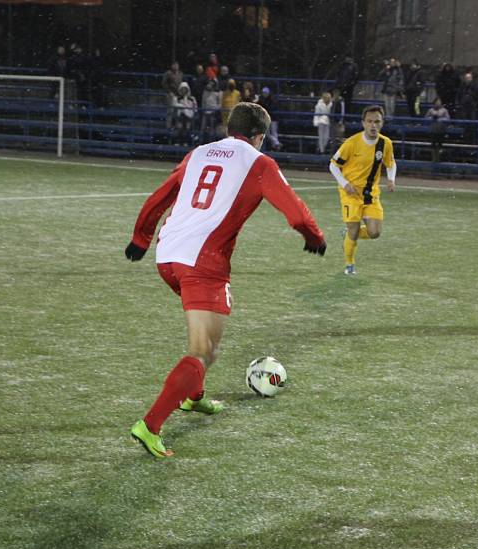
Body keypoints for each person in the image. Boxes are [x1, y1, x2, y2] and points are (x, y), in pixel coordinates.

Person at [125, 102, 327, 458]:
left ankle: (194, 397)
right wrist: (313, 236)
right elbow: (293, 208)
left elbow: (162, 196)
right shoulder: (259, 162)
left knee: (210, 344)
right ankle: (151, 425)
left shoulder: (198, 152)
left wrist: (141, 238)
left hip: (167, 255)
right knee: (204, 351)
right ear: (260, 136)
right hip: (203, 263)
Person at [329, 105, 397, 275]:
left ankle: (349, 235)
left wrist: (391, 179)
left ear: (382, 123)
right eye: (369, 121)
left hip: (370, 194)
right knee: (354, 227)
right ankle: (349, 264)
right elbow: (333, 165)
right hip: (350, 193)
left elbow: (391, 163)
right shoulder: (352, 143)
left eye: (377, 122)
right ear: (363, 123)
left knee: (375, 233)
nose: (373, 125)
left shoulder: (385, 143)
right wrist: (344, 183)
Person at [424, 98, 450, 162]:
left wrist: (440, 118)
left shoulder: (444, 110)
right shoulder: (431, 110)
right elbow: (426, 119)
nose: (438, 103)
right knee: (433, 146)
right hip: (433, 130)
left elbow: (448, 119)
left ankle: (439, 159)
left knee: (440, 146)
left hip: (441, 131)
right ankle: (434, 159)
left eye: (439, 102)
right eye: (437, 102)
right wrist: (432, 118)